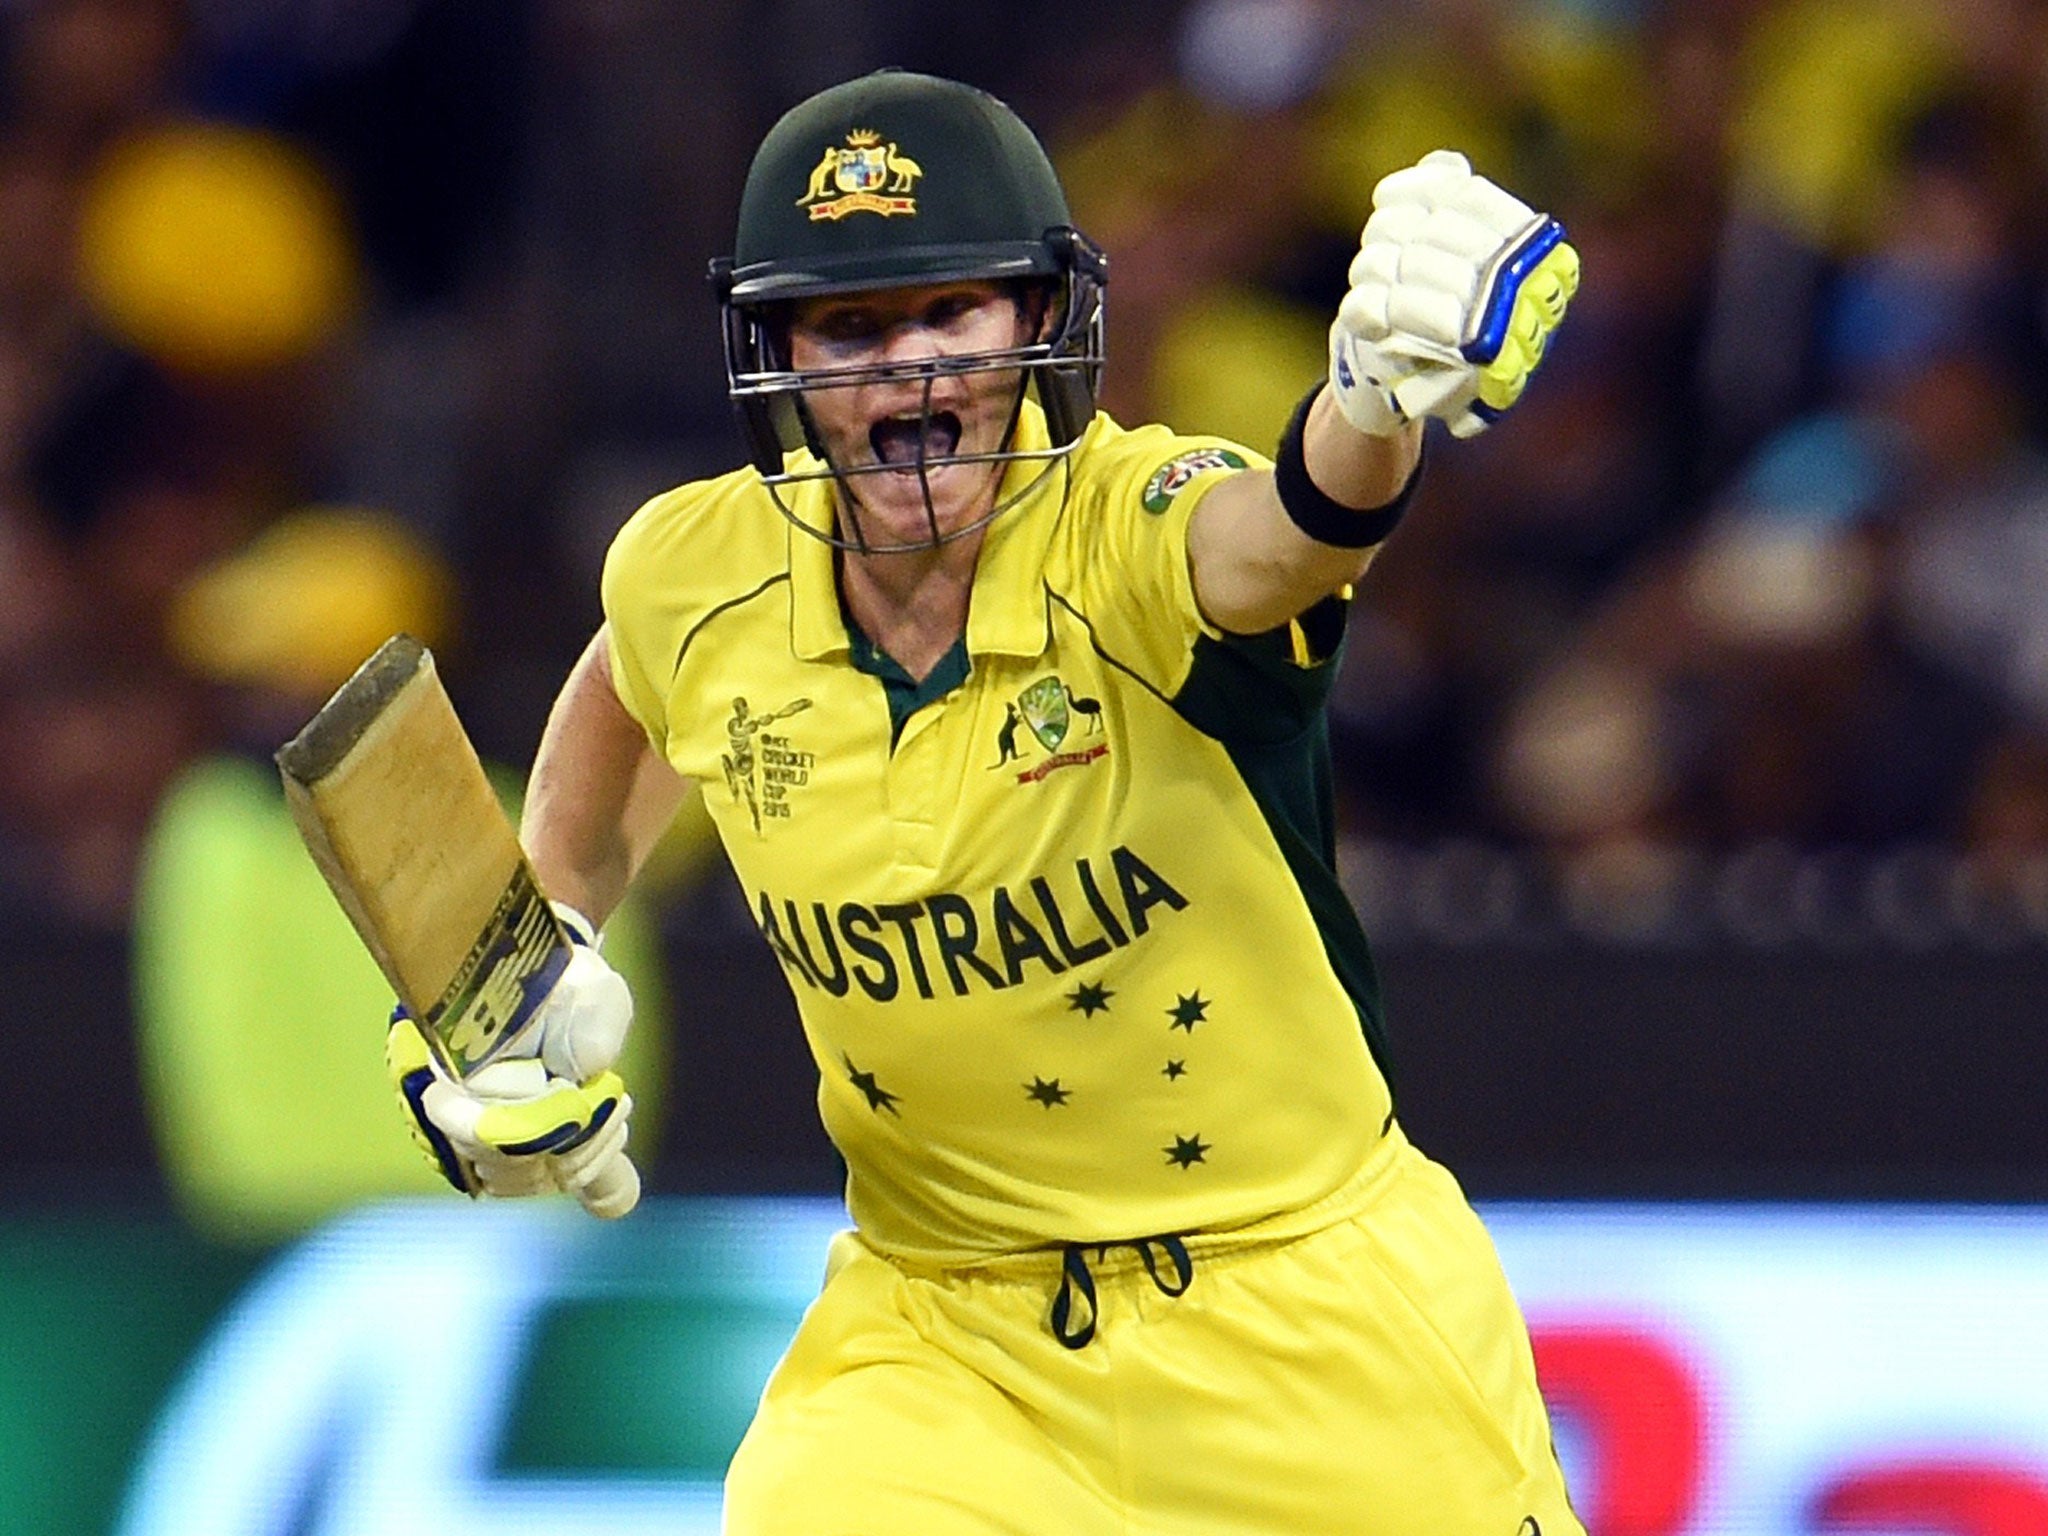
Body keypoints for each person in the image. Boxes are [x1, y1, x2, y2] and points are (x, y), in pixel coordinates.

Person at [386, 68, 1581, 1534]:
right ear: (779, 356)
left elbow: (1286, 543)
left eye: (952, 313)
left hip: (1308, 1319)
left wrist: (1373, 397)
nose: (909, 376)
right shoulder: (694, 568)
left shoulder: (1132, 528)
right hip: (942, 1341)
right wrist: (529, 954)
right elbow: (637, 692)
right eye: (851, 329)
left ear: (1037, 328)